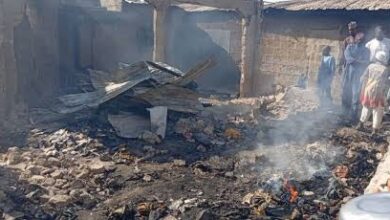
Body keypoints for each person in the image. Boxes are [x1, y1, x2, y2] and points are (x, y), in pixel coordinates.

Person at [356, 51, 390, 135]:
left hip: (368, 90)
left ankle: (360, 124)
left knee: (366, 107)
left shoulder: (370, 66)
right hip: (379, 91)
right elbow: (386, 82)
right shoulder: (385, 69)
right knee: (378, 111)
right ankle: (374, 130)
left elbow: (363, 78)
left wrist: (362, 89)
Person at [342, 37, 370, 121]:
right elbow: (349, 59)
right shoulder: (349, 47)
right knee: (346, 93)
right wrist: (360, 61)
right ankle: (344, 113)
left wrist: (356, 61)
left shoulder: (366, 50)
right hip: (348, 74)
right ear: (356, 40)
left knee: (355, 95)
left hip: (358, 76)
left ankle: (353, 116)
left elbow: (366, 62)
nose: (360, 41)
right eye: (359, 39)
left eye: (362, 39)